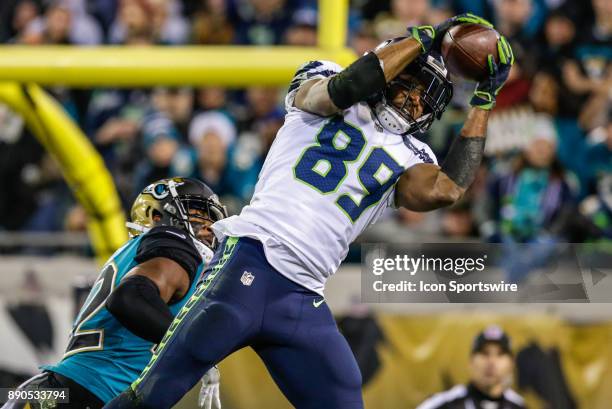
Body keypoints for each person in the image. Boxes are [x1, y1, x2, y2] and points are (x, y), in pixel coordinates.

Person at [105, 13, 514, 409]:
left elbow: (448, 189)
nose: (412, 99)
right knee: (153, 395)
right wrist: (424, 38)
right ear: (388, 72)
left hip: (302, 295)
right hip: (250, 260)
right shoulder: (323, 78)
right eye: (408, 84)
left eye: (424, 94)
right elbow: (339, 91)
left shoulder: (414, 154)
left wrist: (484, 100)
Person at [2, 177, 227, 409]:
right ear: (157, 217)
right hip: (88, 394)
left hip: (55, 391)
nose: (209, 225)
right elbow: (130, 297)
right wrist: (192, 348)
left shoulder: (133, 251)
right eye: (197, 213)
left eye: (211, 216)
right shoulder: (174, 245)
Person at [416, 325, 527, 409]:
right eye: (484, 353)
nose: (491, 361)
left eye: (500, 354)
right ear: (471, 361)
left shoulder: (519, 405)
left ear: (511, 363)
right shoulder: (444, 404)